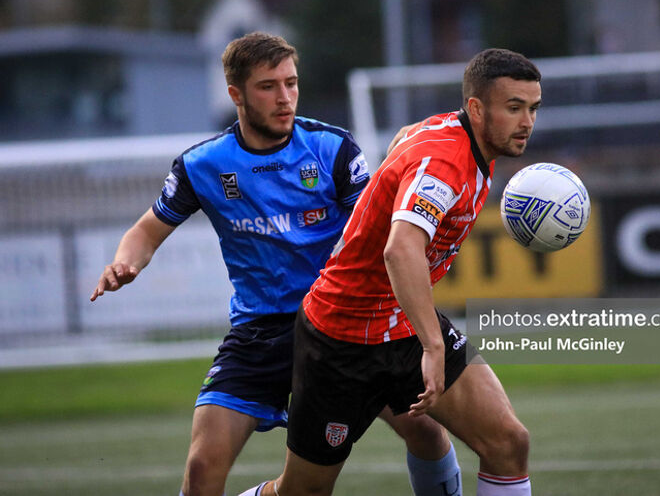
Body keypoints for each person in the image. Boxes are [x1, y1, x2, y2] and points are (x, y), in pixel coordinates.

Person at [90, 32, 463, 496]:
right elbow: (147, 230)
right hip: (260, 331)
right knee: (203, 468)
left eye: (291, 83)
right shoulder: (203, 164)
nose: (284, 98)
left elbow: (376, 226)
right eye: (268, 86)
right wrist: (125, 264)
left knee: (425, 430)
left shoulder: (332, 149)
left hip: (339, 325)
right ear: (236, 94)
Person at [241, 48, 542, 496]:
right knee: (302, 491)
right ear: (476, 109)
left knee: (508, 443)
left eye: (533, 108)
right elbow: (400, 251)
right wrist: (434, 345)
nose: (527, 121)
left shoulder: (459, 134)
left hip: (400, 324)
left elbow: (405, 138)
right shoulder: (444, 164)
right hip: (340, 340)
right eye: (514, 108)